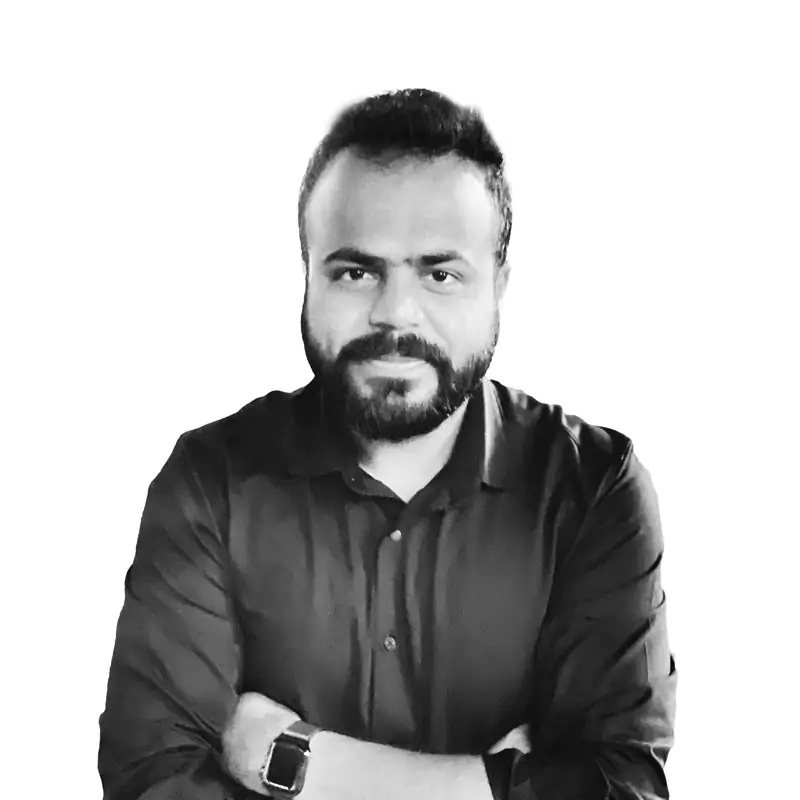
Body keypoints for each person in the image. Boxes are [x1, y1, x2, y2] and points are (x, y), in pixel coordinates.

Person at [98, 88, 677, 800]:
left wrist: (299, 764)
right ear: (307, 275)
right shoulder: (209, 482)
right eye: (356, 272)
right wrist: (501, 784)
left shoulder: (594, 489)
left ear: (499, 284)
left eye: (440, 274)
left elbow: (620, 787)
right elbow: (153, 783)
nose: (396, 313)